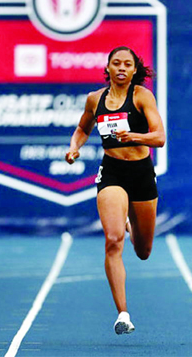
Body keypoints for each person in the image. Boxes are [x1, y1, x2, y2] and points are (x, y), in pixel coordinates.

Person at [65, 46, 165, 334]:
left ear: (135, 70)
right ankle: (123, 313)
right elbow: (83, 129)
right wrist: (74, 148)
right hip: (112, 172)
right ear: (107, 68)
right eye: (116, 63)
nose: (121, 68)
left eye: (127, 64)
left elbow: (159, 137)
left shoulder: (141, 96)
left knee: (143, 251)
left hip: (141, 174)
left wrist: (132, 135)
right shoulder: (94, 99)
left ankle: (132, 227)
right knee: (112, 239)